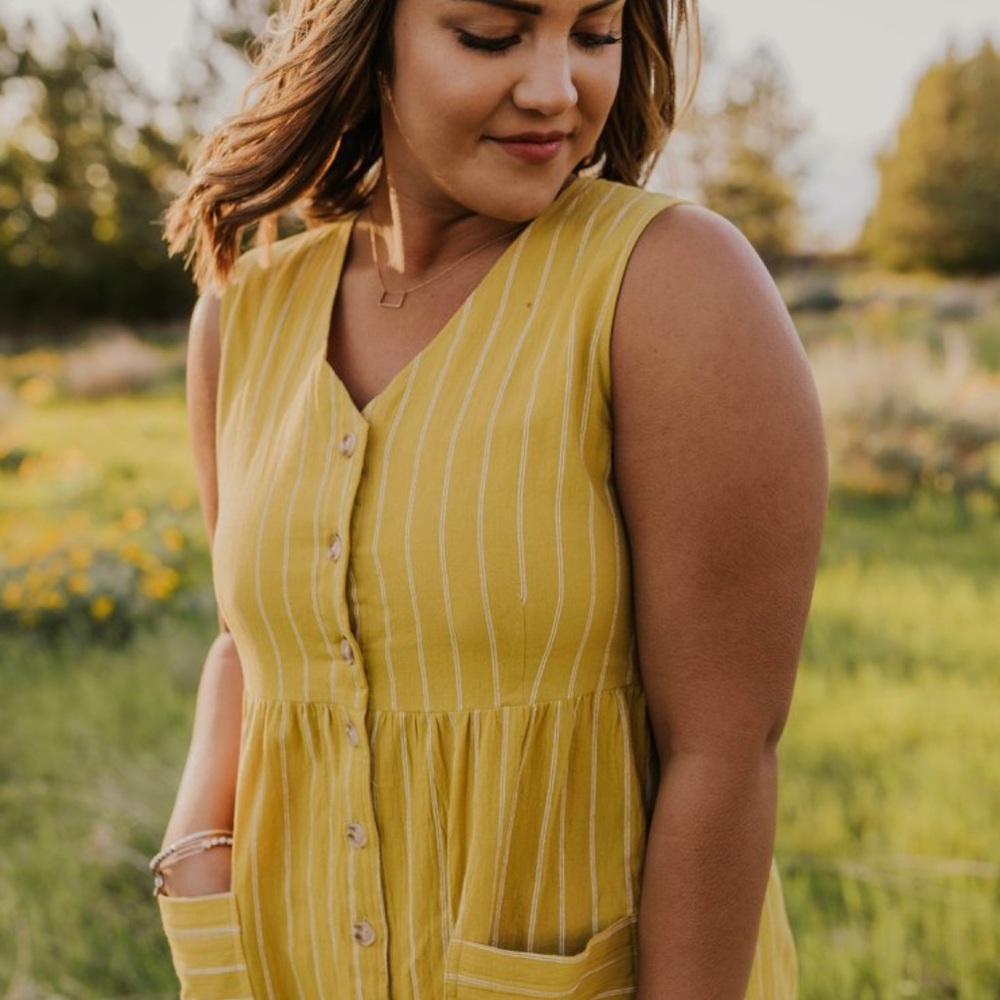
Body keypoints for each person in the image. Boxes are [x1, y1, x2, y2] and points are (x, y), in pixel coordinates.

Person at [153, 0, 828, 995]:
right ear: (367, 38)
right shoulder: (242, 314)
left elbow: (721, 750)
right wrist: (196, 847)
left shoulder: (673, 284)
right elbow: (241, 641)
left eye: (593, 35)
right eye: (491, 35)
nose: (558, 89)